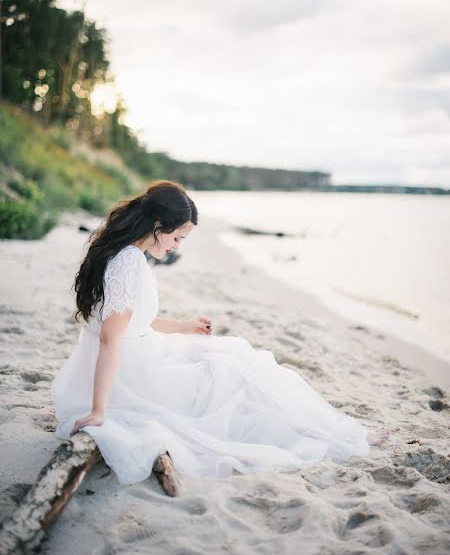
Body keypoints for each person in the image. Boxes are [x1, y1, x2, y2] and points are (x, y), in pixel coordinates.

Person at [52, 179, 389, 485]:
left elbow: (129, 324)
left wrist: (185, 327)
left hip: (133, 359)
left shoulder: (125, 255)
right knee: (235, 367)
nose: (176, 247)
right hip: (132, 374)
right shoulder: (129, 263)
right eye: (176, 237)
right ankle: (334, 435)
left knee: (235, 358)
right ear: (158, 226)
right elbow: (112, 339)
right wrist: (100, 410)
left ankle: (335, 431)